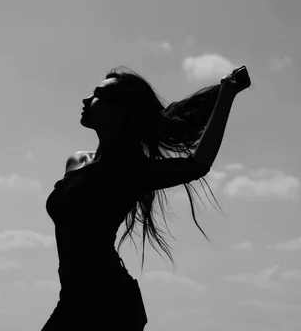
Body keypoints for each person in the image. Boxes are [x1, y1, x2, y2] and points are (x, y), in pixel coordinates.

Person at [41, 65, 251, 330]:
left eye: (98, 95)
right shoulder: (76, 161)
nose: (86, 99)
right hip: (73, 300)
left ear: (121, 112)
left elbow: (198, 164)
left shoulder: (131, 171)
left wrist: (227, 94)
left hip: (110, 304)